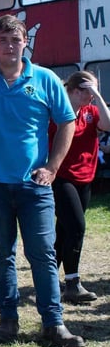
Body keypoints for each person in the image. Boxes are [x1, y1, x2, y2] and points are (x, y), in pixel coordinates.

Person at [0, 14, 84, 347]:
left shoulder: (45, 79)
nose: (9, 46)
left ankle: (54, 323)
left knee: (43, 254)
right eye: (2, 40)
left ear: (25, 42)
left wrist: (52, 167)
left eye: (15, 39)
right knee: (2, 254)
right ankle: (8, 320)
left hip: (35, 187)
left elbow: (67, 123)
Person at [50, 71, 110, 303]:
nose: (93, 98)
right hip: (61, 177)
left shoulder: (90, 112)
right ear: (76, 91)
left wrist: (96, 93)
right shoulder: (57, 111)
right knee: (76, 226)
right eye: (89, 92)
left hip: (86, 177)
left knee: (64, 230)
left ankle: (48, 277)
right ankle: (72, 283)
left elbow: (107, 124)